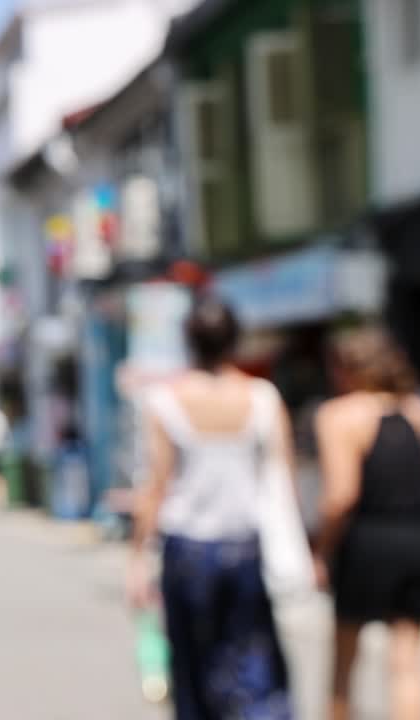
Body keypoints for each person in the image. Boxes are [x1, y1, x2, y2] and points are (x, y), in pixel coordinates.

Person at [127, 296, 295, 720]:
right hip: (245, 546)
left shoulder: (166, 400)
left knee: (193, 670)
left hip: (188, 549)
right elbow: (281, 478)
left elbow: (156, 485)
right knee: (254, 668)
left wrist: (136, 557)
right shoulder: (261, 397)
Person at [313, 326, 420, 720]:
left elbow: (341, 495)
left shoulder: (339, 415)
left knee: (344, 662)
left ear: (346, 367)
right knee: (407, 663)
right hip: (419, 537)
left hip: (366, 542)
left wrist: (322, 549)